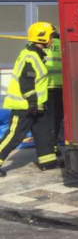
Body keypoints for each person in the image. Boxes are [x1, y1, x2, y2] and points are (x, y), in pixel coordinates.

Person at [0, 22, 57, 176]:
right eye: (51, 36)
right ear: (43, 37)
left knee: (43, 132)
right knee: (14, 135)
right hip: (24, 106)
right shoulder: (30, 57)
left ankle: (48, 161)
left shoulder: (36, 54)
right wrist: (32, 102)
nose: (52, 40)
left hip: (36, 104)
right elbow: (26, 82)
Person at [44, 27, 64, 149]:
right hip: (60, 87)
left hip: (43, 87)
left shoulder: (40, 46)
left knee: (45, 119)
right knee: (57, 118)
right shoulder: (62, 44)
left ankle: (46, 147)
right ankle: (54, 146)